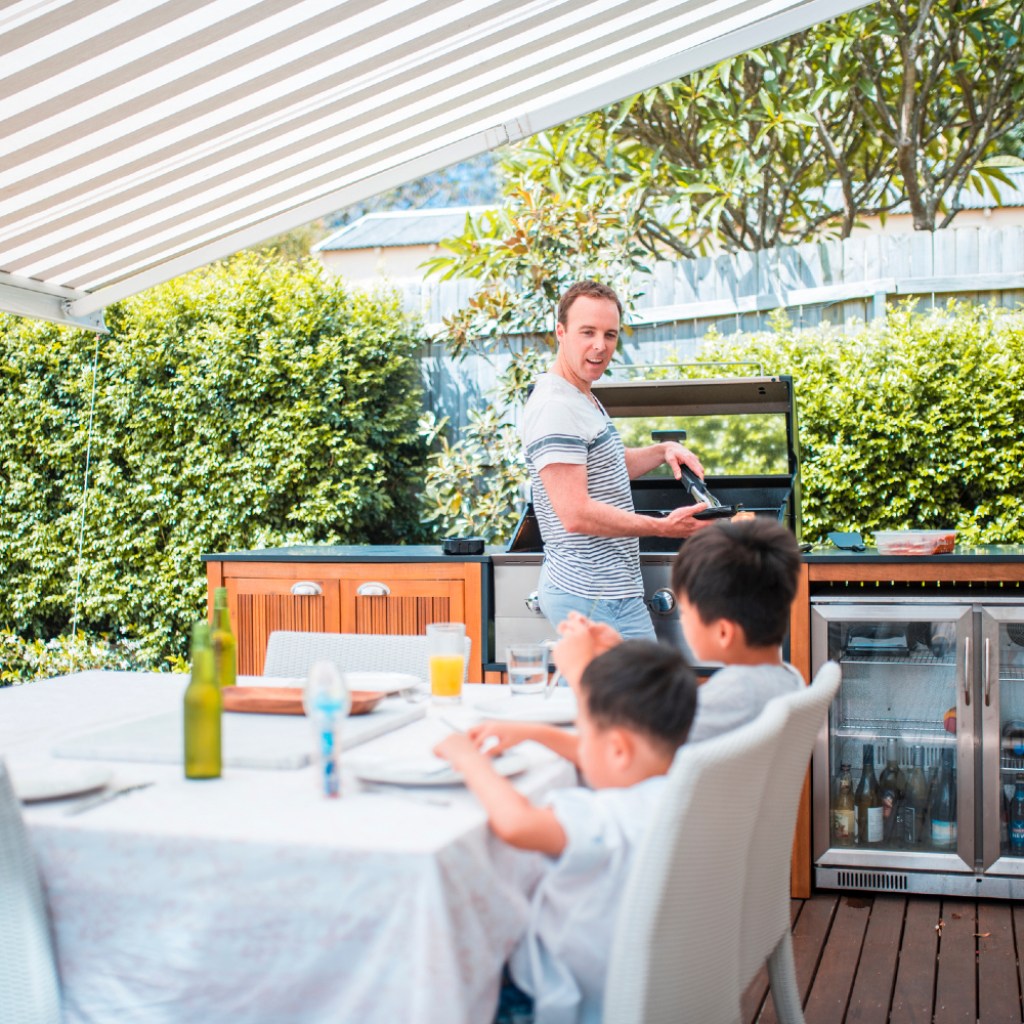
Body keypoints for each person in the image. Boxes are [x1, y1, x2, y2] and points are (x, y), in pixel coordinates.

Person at [433, 641, 697, 1024]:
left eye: (583, 733)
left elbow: (517, 824)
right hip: (650, 984)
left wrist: (468, 760)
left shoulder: (603, 817)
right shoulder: (686, 791)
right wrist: (535, 732)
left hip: (563, 996)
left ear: (618, 751)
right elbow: (610, 755)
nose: (580, 745)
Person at [522, 279, 710, 641]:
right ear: (560, 332)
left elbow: (606, 466)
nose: (600, 345)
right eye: (587, 332)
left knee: (631, 696)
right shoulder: (555, 407)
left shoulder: (581, 396)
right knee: (628, 697)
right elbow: (575, 514)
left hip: (613, 592)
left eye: (610, 334)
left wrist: (661, 450)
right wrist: (661, 527)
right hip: (587, 595)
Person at [552, 517, 804, 743]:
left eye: (684, 612)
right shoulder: (787, 679)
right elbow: (655, 721)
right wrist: (618, 651)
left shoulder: (729, 699)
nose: (682, 620)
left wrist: (579, 674)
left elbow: (615, 758)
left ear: (724, 633)